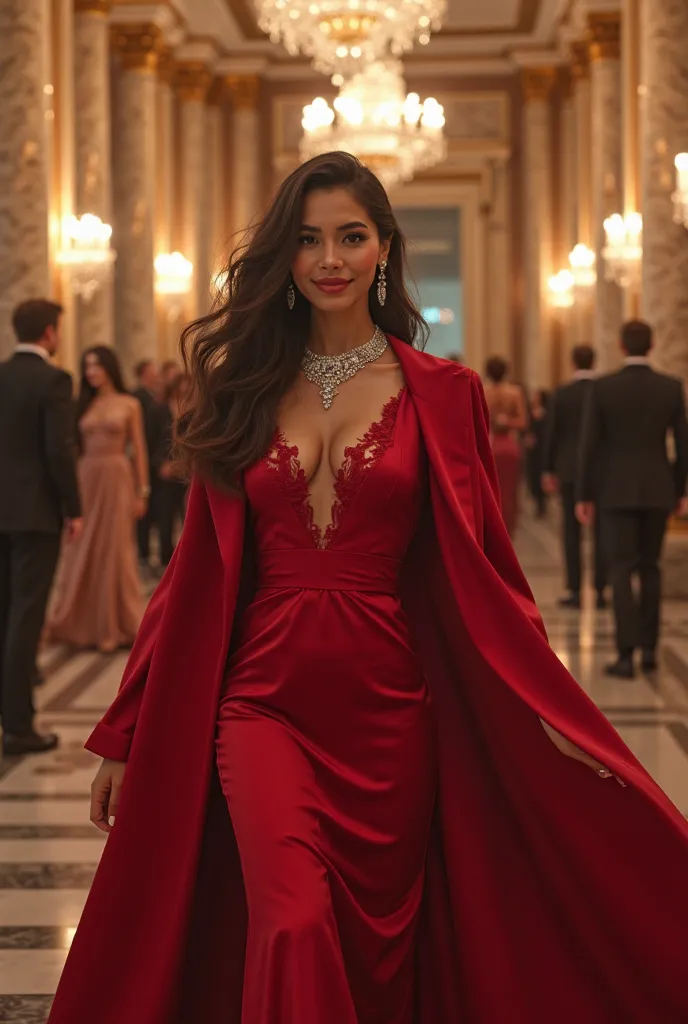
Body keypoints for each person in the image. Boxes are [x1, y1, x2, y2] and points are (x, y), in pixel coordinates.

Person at [49, 154, 688, 1024]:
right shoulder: (241, 391)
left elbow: (490, 569)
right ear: (286, 254)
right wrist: (125, 730)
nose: (329, 258)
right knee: (291, 918)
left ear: (384, 247)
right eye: (308, 239)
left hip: (389, 708)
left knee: (378, 949)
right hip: (260, 701)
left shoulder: (445, 394)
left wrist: (549, 706)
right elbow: (191, 574)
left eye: (351, 236)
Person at [577, 320, 688, 679]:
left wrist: (584, 494)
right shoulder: (670, 388)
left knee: (621, 569)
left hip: (614, 490)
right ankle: (650, 650)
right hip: (658, 489)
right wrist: (681, 490)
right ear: (652, 346)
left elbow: (589, 445)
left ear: (622, 346)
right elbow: (683, 447)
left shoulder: (604, 388)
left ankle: (625, 655)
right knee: (651, 568)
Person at [0, 300, 82, 757]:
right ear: (50, 333)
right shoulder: (53, 379)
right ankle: (17, 725)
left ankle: (10, 715)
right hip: (35, 515)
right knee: (25, 619)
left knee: (4, 612)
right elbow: (59, 450)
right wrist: (74, 508)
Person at [45, 347, 148, 653]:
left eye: (97, 366)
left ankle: (115, 626)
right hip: (85, 478)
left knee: (114, 549)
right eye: (87, 366)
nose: (91, 372)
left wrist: (143, 491)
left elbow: (139, 450)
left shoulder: (130, 403)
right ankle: (80, 624)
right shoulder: (82, 405)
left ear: (109, 368)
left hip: (117, 477)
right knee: (81, 548)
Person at [543, 344, 607, 611]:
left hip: (569, 469)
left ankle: (575, 590)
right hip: (601, 469)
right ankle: (602, 590)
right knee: (603, 531)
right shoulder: (604, 391)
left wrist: (548, 468)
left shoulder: (563, 393)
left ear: (573, 363)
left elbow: (552, 433)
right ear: (594, 362)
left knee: (571, 531)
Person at [482, 355, 527, 535]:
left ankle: (490, 529)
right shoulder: (515, 392)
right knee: (509, 491)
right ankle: (507, 529)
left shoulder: (483, 391)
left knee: (488, 492)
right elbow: (523, 422)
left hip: (489, 445)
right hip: (510, 446)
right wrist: (507, 421)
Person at [155, 373, 190, 567]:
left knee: (188, 517)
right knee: (165, 518)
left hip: (188, 471)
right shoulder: (160, 410)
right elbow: (152, 441)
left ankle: (185, 560)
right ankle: (165, 560)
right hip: (166, 472)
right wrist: (161, 463)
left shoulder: (194, 409)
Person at [132, 359, 164, 570]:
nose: (156, 375)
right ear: (144, 373)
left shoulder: (155, 396)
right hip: (146, 459)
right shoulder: (138, 397)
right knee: (143, 512)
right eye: (153, 371)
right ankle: (142, 552)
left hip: (154, 458)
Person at [524, 387, 549, 519]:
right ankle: (535, 497)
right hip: (532, 450)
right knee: (532, 475)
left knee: (540, 476)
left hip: (541, 450)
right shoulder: (530, 413)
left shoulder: (546, 414)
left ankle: (542, 505)